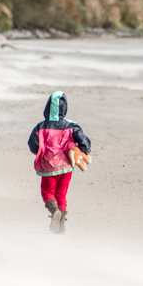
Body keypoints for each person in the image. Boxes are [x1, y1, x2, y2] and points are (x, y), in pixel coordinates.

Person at [27, 91, 92, 234]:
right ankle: (61, 225)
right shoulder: (71, 125)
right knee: (61, 194)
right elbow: (83, 140)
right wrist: (84, 150)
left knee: (48, 192)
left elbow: (32, 144)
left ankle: (54, 210)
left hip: (49, 167)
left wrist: (42, 152)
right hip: (67, 167)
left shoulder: (40, 126)